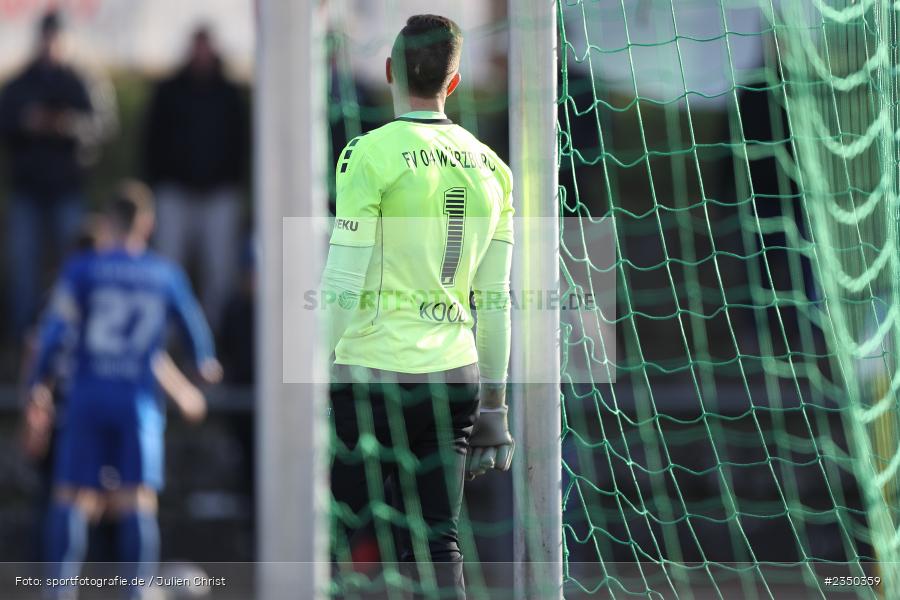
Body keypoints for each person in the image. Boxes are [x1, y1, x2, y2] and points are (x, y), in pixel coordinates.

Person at [323, 15, 515, 599]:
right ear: (453, 83)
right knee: (438, 540)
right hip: (452, 376)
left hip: (370, 373)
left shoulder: (369, 153)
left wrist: (313, 368)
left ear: (390, 72)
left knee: (337, 534)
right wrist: (495, 403)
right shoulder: (493, 169)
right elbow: (495, 301)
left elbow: (343, 276)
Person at [26, 181, 222, 599]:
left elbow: (53, 334)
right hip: (137, 402)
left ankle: (58, 592)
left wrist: (37, 385)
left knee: (70, 495)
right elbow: (196, 333)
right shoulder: (163, 274)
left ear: (110, 222)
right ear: (147, 224)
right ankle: (134, 592)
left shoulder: (83, 270)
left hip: (88, 396)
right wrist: (203, 363)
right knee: (138, 499)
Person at [0, 10, 100, 341]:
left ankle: (72, 338)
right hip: (27, 190)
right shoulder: (20, 83)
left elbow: (100, 124)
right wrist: (26, 122)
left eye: (55, 37)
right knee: (23, 270)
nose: (50, 44)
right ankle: (23, 339)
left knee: (74, 267)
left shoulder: (80, 82)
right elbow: (5, 121)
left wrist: (65, 124)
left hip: (67, 189)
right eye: (46, 37)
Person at [142, 25, 250, 333]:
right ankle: (166, 336)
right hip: (175, 193)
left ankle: (215, 336)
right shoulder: (169, 91)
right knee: (168, 266)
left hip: (219, 194)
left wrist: (232, 181)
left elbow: (241, 144)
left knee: (220, 270)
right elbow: (151, 141)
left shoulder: (229, 94)